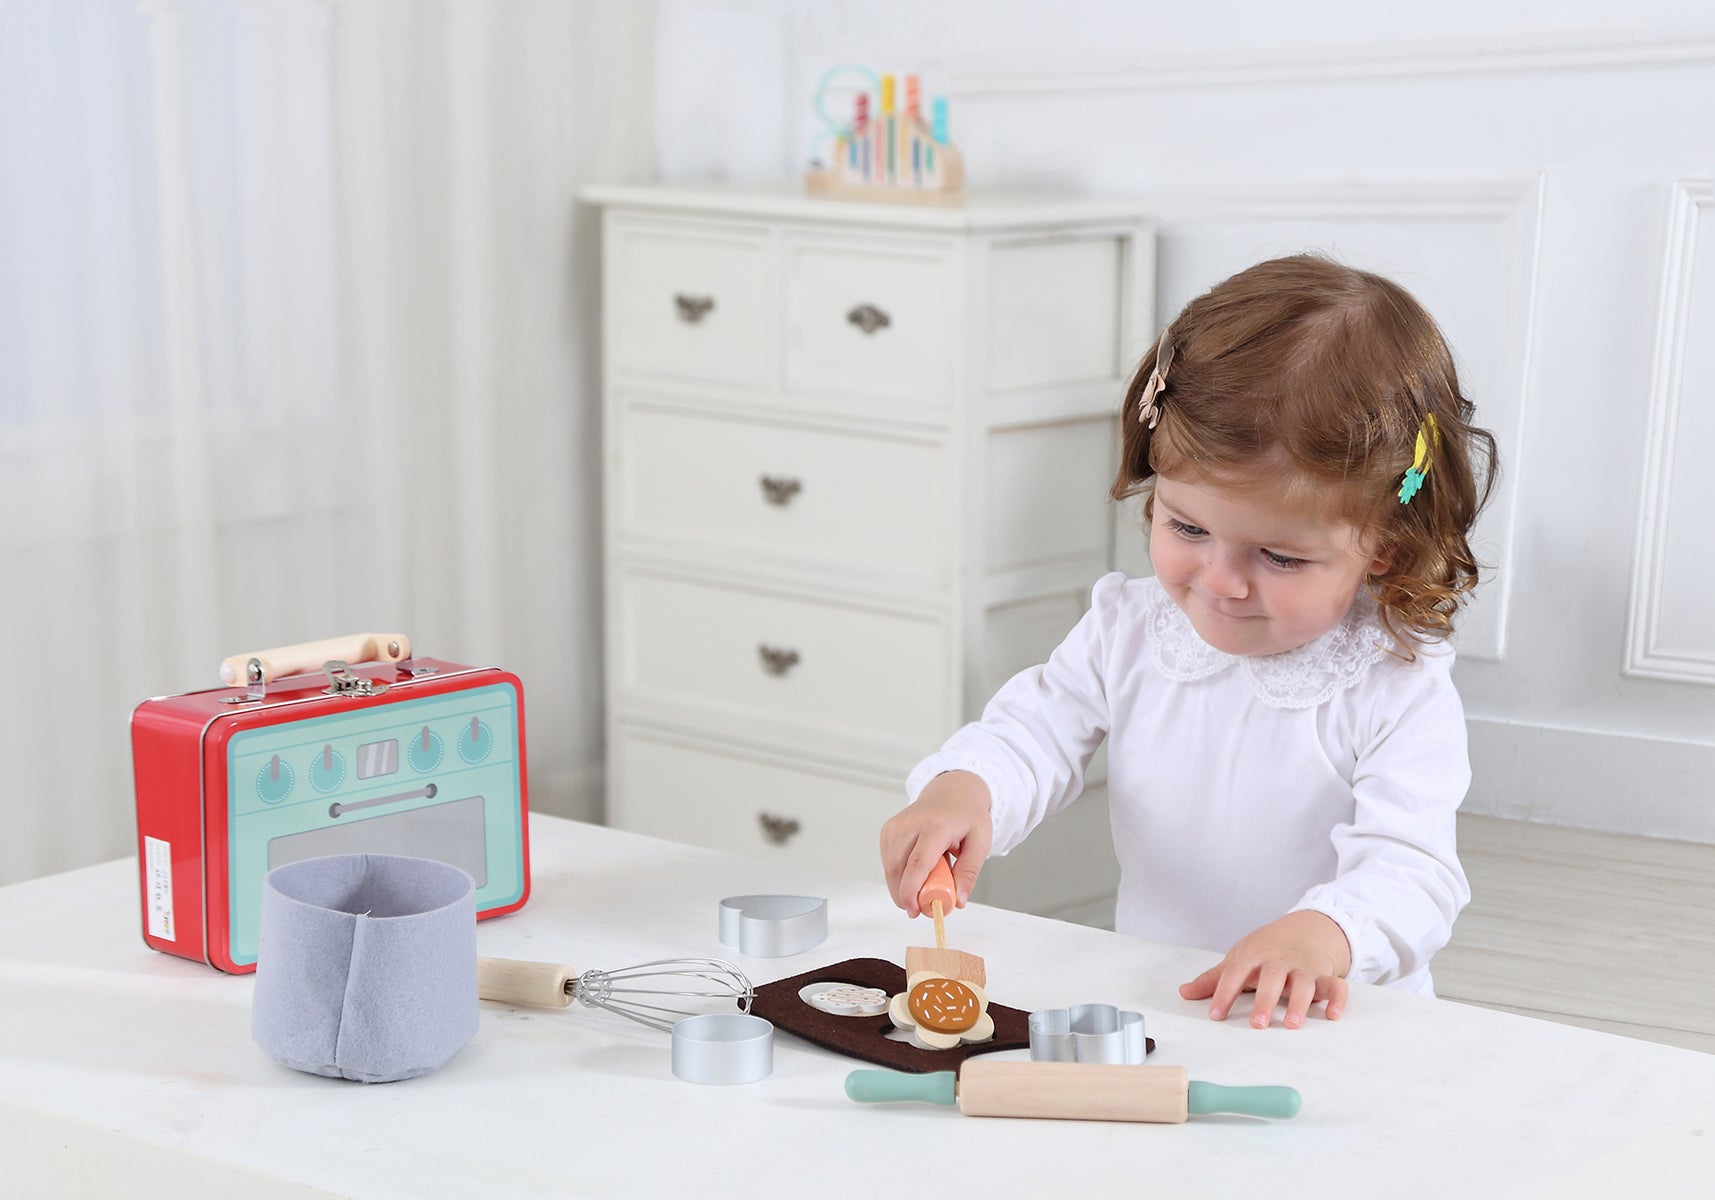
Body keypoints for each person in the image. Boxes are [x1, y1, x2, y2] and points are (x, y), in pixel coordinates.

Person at [880, 254, 1498, 1030]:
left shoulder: (1393, 683)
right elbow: (1033, 732)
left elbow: (1412, 871)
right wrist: (963, 790)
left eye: (1278, 556)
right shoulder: (1130, 628)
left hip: (1334, 1015)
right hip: (1162, 1000)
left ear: (1383, 544)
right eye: (1187, 527)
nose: (1221, 581)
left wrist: (1325, 934)